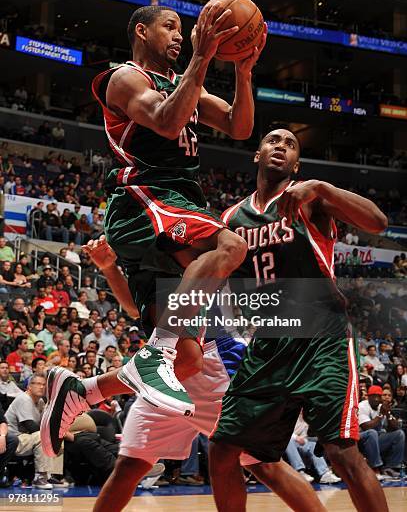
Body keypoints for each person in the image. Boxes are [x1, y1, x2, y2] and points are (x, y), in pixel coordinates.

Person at [41, 237, 326, 512]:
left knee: (260, 462)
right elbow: (135, 308)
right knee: (131, 463)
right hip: (169, 368)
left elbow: (191, 357)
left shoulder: (197, 253)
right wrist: (109, 269)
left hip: (215, 364)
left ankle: (83, 390)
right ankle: (83, 391)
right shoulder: (165, 256)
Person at [83, 3, 267, 414]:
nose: (181, 36)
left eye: (184, 30)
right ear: (142, 33)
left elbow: (240, 125)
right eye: (170, 27)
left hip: (179, 202)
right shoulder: (126, 77)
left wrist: (242, 70)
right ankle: (155, 354)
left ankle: (84, 391)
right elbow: (166, 121)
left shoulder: (188, 86)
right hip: (145, 197)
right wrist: (202, 56)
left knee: (189, 360)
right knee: (231, 248)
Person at [208, 129, 389, 512]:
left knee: (341, 453)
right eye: (273, 141)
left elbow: (377, 222)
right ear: (257, 155)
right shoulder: (230, 218)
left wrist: (322, 187)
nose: (281, 147)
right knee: (223, 451)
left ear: (296, 165)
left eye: (290, 145)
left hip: (321, 338)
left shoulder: (310, 200)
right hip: (268, 343)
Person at [6, 375, 66, 488]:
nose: (42, 387)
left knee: (57, 437)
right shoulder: (23, 399)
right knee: (42, 437)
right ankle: (40, 477)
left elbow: (47, 424)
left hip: (27, 438)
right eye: (38, 384)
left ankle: (52, 475)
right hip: (13, 440)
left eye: (44, 385)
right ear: (29, 386)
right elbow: (30, 426)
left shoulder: (40, 402)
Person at [358, 385, 405, 480]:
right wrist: (380, 415)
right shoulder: (363, 405)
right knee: (372, 433)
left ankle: (391, 467)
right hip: (361, 440)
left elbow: (395, 426)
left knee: (399, 434)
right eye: (373, 396)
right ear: (368, 396)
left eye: (378, 396)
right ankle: (376, 468)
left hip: (376, 440)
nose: (376, 398)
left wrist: (387, 414)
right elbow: (365, 427)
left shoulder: (382, 406)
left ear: (381, 398)